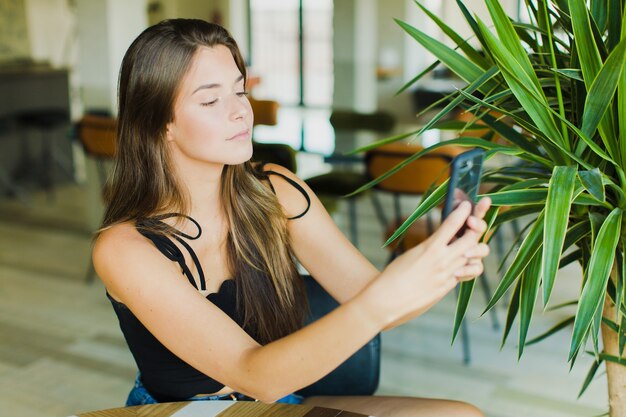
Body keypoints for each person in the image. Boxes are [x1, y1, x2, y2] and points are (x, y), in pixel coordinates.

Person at [93, 18, 491, 417]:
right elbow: (256, 374)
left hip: (275, 404)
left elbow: (383, 303)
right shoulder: (126, 249)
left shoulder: (275, 191)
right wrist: (382, 301)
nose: (240, 113)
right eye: (211, 101)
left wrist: (443, 265)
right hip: (188, 411)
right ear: (161, 124)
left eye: (239, 91)